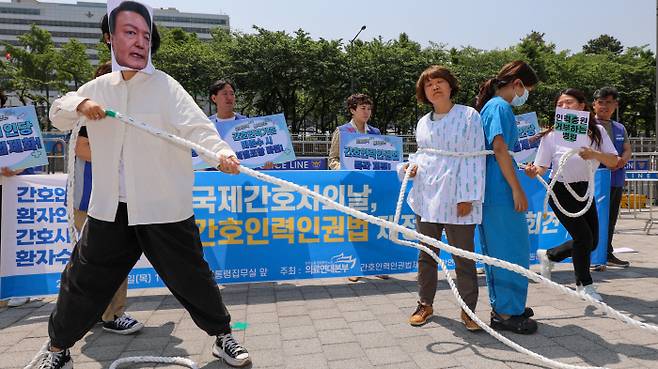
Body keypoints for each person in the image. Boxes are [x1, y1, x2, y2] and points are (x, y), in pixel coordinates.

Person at [26, 3, 250, 368]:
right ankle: (57, 350)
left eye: (146, 35)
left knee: (192, 277)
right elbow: (58, 112)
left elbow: (198, 129)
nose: (139, 42)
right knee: (81, 282)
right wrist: (82, 103)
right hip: (109, 209)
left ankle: (223, 337)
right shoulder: (97, 88)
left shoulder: (166, 87)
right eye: (130, 32)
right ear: (110, 38)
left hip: (164, 206)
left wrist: (221, 154)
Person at [401, 66, 484, 331]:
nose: (434, 87)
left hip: (458, 196)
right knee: (426, 254)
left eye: (439, 82)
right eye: (428, 84)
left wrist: (467, 196)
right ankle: (425, 303)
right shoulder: (423, 122)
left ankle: (469, 310)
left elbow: (474, 157)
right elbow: (423, 154)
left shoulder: (469, 115)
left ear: (450, 86)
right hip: (426, 196)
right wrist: (408, 168)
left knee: (463, 256)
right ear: (423, 93)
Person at [526, 88, 619, 302]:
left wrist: (594, 154)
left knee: (593, 242)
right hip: (560, 190)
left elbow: (613, 162)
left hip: (585, 190)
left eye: (569, 102)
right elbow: (541, 167)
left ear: (582, 106)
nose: (564, 107)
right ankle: (584, 284)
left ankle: (550, 255)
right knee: (583, 237)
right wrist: (533, 171)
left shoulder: (596, 132)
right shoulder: (551, 135)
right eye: (561, 104)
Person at [72, 61, 143, 334]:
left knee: (106, 259)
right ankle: (110, 314)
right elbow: (81, 148)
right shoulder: (91, 116)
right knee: (102, 260)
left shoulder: (118, 116)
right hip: (93, 201)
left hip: (113, 200)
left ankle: (99, 312)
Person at [474, 60, 539, 335]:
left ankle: (512, 305)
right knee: (505, 251)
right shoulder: (499, 106)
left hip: (500, 187)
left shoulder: (497, 107)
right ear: (517, 84)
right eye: (528, 90)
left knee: (514, 248)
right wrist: (517, 187)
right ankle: (504, 312)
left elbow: (503, 150)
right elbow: (499, 148)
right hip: (499, 191)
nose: (527, 95)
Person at [328, 93, 389, 282]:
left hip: (371, 187)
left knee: (373, 225)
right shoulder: (342, 131)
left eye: (369, 108)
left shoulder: (375, 133)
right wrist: (345, 169)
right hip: (351, 186)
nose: (367, 112)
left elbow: (382, 159)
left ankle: (374, 266)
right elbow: (332, 159)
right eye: (362, 108)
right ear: (352, 110)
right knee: (355, 226)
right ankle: (354, 266)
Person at [592, 87, 632, 268]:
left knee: (610, 218)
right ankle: (593, 255)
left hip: (615, 180)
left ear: (615, 105)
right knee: (593, 219)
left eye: (609, 103)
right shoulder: (588, 125)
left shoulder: (619, 127)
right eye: (601, 102)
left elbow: (627, 148)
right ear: (594, 104)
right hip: (594, 180)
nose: (604, 106)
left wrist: (622, 160)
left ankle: (607, 252)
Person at [206, 79, 273, 170]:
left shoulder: (247, 124)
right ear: (214, 98)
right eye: (225, 94)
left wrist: (264, 164)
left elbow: (256, 155)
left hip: (242, 177)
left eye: (232, 94)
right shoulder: (206, 125)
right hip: (212, 178)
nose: (229, 97)